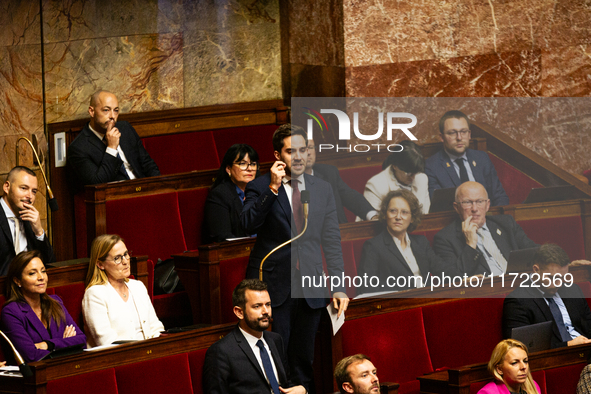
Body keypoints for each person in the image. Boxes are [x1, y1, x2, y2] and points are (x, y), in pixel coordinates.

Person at [241, 124, 349, 392]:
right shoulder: (259, 186)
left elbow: (332, 240)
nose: (298, 156)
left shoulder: (321, 188)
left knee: (303, 358)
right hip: (274, 284)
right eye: (291, 151)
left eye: (303, 150)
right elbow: (246, 223)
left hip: (310, 284)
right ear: (278, 155)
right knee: (276, 356)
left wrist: (338, 285)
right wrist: (273, 189)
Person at [202, 279, 306, 393]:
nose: (266, 311)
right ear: (239, 312)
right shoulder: (221, 352)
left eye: (268, 304)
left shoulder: (275, 340)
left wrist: (301, 390)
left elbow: (285, 384)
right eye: (257, 306)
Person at [358, 189, 456, 293]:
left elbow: (443, 269)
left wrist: (466, 279)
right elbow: (366, 287)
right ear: (385, 214)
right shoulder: (374, 246)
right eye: (393, 211)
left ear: (412, 218)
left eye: (404, 212)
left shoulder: (421, 242)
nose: (398, 217)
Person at [433, 181, 537, 277]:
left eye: (479, 201)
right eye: (467, 202)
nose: (474, 209)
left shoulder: (506, 223)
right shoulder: (445, 239)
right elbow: (457, 278)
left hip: (521, 284)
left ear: (487, 205)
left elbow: (535, 252)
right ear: (456, 207)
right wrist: (470, 245)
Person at [0, 251, 86, 362]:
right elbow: (30, 356)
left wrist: (47, 345)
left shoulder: (55, 301)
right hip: (35, 376)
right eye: (32, 273)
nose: (41, 277)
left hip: (66, 369)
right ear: (17, 281)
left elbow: (81, 341)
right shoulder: (11, 312)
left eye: (43, 271)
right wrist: (65, 344)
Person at [82, 234, 164, 347]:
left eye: (126, 254)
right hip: (118, 358)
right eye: (117, 258)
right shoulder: (95, 294)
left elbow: (155, 327)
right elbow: (106, 342)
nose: (125, 261)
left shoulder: (138, 287)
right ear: (100, 264)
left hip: (149, 352)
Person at [503, 244, 591, 349]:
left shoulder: (573, 290)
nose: (558, 283)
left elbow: (589, 326)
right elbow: (523, 348)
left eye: (562, 278)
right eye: (552, 278)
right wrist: (568, 345)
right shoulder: (518, 301)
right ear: (536, 270)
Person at [68, 90, 160, 190]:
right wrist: (111, 148)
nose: (112, 116)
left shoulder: (125, 128)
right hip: (115, 197)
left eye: (116, 110)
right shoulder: (78, 148)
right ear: (92, 111)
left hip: (143, 189)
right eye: (106, 110)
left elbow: (148, 164)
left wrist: (159, 188)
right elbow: (97, 184)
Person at [425, 110, 509, 207]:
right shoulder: (432, 166)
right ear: (442, 137)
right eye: (452, 133)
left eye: (463, 132)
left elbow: (500, 197)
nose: (459, 137)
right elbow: (439, 207)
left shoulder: (482, 158)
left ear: (469, 134)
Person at [305, 138, 376, 223]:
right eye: (303, 149)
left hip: (340, 232)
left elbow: (351, 197)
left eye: (311, 147)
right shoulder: (287, 181)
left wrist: (372, 215)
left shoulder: (328, 173)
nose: (308, 152)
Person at [0, 166, 55, 276]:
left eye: (34, 191)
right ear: (7, 187)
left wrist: (39, 232)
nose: (30, 196)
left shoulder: (30, 219)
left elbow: (50, 262)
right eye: (24, 188)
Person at [203, 144, 260, 243]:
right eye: (242, 164)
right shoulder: (220, 195)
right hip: (241, 252)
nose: (249, 168)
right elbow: (222, 236)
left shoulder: (263, 191)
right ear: (228, 169)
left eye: (253, 164)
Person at [363, 140, 430, 215]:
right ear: (394, 166)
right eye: (409, 174)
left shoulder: (421, 178)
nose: (413, 178)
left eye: (416, 173)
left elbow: (426, 214)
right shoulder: (375, 186)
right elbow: (373, 222)